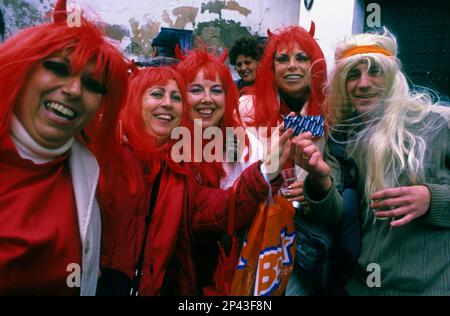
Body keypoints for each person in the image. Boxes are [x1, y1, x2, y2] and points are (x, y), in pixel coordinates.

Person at [97, 66, 292, 296]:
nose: (168, 103)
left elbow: (225, 207)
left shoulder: (179, 171)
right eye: (157, 94)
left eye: (175, 97)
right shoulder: (107, 153)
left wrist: (267, 169)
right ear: (135, 100)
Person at [295, 29, 450, 295]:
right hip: (360, 287)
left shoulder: (438, 123)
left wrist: (431, 199)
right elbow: (333, 216)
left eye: (374, 71)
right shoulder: (342, 139)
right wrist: (318, 178)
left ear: (392, 78)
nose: (363, 83)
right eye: (353, 75)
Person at [0, 0, 128, 295]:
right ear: (22, 69)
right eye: (58, 69)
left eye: (93, 84)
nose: (73, 90)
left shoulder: (90, 170)